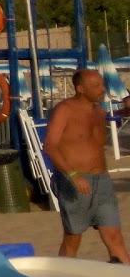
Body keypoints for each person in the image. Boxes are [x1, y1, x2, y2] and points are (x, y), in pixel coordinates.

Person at [45, 68, 128, 263]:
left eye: (102, 84)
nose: (102, 89)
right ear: (81, 89)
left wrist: (123, 111)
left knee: (114, 237)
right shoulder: (65, 110)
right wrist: (73, 175)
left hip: (102, 181)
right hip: (74, 180)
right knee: (73, 238)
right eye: (96, 86)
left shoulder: (99, 111)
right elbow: (50, 146)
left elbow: (92, 140)